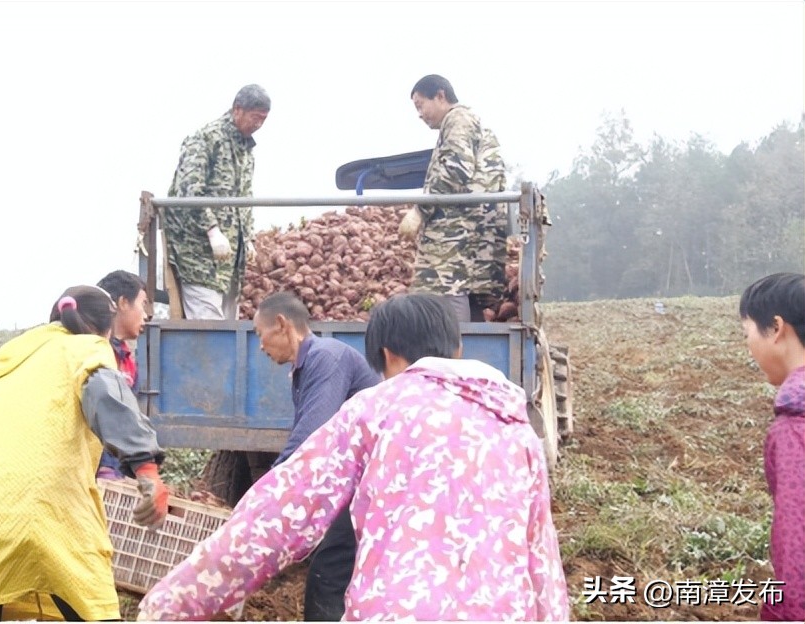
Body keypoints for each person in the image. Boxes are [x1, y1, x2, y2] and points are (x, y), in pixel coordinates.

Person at [137, 292, 568, 621]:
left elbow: (281, 514)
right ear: (457, 350)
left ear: (386, 355)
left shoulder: (376, 409)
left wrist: (171, 603)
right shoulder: (518, 432)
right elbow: (542, 558)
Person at [0, 285, 170, 622]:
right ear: (102, 329)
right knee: (92, 607)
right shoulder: (87, 349)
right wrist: (147, 470)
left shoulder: (12, 367)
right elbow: (107, 397)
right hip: (47, 510)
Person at [251, 292, 381, 620]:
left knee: (329, 573)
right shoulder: (307, 365)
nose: (261, 346)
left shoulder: (325, 358)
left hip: (371, 483)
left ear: (282, 325)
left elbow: (310, 436)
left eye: (259, 334)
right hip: (358, 482)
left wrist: (265, 493)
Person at [399, 74, 508, 323]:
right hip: (473, 234)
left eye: (420, 105)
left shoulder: (458, 119)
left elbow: (456, 169)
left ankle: (453, 346)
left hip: (456, 234)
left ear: (440, 96)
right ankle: (468, 344)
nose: (420, 114)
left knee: (445, 286)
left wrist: (420, 211)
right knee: (465, 292)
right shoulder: (468, 123)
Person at [164, 83, 270, 321]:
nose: (258, 125)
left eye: (263, 120)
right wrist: (212, 230)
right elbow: (189, 189)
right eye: (255, 117)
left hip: (230, 261)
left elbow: (245, 197)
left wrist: (248, 238)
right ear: (237, 110)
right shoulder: (205, 139)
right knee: (209, 328)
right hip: (198, 257)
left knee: (227, 331)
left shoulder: (245, 150)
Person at [739, 272, 804, 622]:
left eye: (747, 333)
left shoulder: (795, 425)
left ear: (776, 328)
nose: (748, 346)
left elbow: (798, 547)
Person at [92, 269, 150, 480]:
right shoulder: (91, 354)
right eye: (142, 304)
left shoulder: (127, 361)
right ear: (123, 303)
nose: (146, 315)